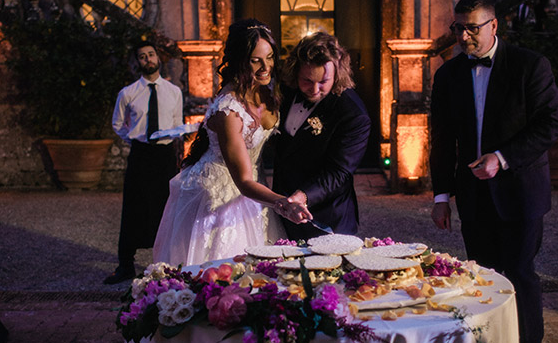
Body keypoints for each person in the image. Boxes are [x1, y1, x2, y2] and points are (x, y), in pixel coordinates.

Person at [429, 0, 558, 343]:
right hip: (473, 194)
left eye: (472, 28)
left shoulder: (529, 65)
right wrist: (441, 196)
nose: (464, 37)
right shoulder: (448, 75)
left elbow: (551, 124)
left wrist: (502, 159)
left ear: (493, 25)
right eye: (458, 28)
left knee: (520, 272)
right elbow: (441, 139)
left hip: (521, 190)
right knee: (482, 275)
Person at [152, 19, 310, 267]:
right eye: (255, 60)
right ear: (239, 61)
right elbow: (243, 181)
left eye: (269, 57)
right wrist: (282, 203)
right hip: (220, 192)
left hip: (254, 184)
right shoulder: (229, 112)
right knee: (223, 271)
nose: (265, 67)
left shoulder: (267, 88)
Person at [272, 31, 371, 239]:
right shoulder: (286, 92)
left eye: (323, 81)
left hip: (327, 218)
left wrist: (303, 195)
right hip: (282, 210)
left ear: (337, 74)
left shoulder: (353, 113)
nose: (314, 90)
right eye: (307, 80)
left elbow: (338, 173)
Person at [104, 43, 183, 284]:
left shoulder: (174, 92)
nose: (147, 59)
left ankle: (169, 263)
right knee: (134, 208)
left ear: (158, 58)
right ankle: (126, 265)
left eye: (150, 54)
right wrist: (136, 139)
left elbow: (177, 123)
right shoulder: (128, 93)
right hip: (141, 154)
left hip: (165, 155)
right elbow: (118, 124)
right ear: (137, 63)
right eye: (142, 57)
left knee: (167, 206)